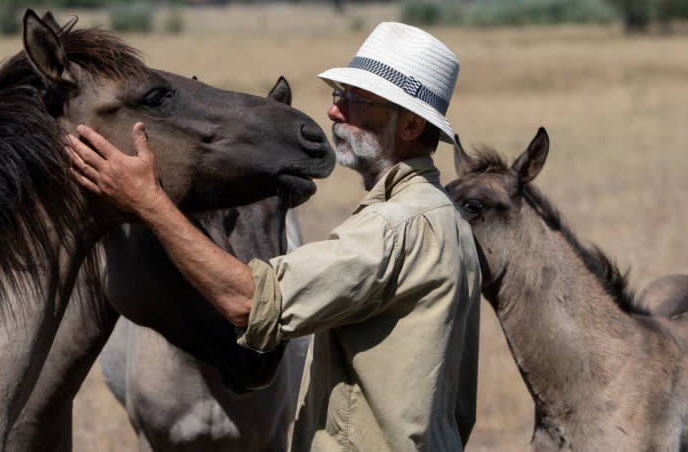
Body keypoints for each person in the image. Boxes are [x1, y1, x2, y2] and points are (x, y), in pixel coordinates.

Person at [67, 22, 481, 451]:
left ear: (411, 126)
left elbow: (250, 303)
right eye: (339, 95)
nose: (334, 113)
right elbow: (459, 406)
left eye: (356, 100)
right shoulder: (447, 221)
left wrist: (148, 203)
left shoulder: (395, 229)